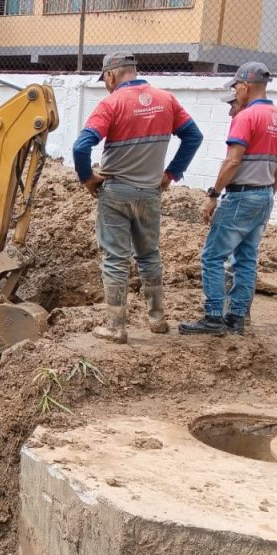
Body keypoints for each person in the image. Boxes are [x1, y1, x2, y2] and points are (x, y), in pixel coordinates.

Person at [73, 52, 204, 343]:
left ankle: (115, 327)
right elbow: (194, 136)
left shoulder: (112, 103)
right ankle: (157, 319)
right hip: (150, 192)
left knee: (116, 259)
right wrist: (170, 175)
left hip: (116, 191)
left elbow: (81, 147)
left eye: (104, 79)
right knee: (149, 255)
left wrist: (87, 179)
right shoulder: (166, 99)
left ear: (111, 75)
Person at [180, 63, 277, 337]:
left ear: (246, 86)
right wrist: (266, 193)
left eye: (236, 86)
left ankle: (214, 316)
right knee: (247, 258)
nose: (235, 92)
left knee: (212, 256)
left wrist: (214, 194)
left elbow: (232, 162)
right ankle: (237, 317)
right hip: (264, 194)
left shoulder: (247, 117)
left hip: (241, 195)